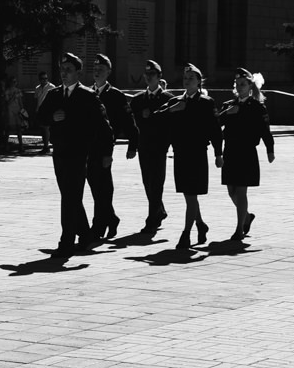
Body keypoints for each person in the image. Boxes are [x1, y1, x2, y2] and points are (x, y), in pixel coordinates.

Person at [38, 53, 108, 255]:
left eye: (68, 70)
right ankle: (85, 235)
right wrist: (52, 117)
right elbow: (40, 117)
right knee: (70, 197)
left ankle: (66, 242)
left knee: (69, 198)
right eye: (62, 70)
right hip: (59, 153)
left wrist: (106, 153)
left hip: (78, 154)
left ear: (78, 72)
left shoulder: (87, 96)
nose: (64, 73)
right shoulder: (54, 95)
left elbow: (103, 126)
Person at [161, 64, 219, 249]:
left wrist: (219, 153)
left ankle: (186, 234)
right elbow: (156, 119)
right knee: (189, 195)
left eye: (191, 79)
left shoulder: (206, 102)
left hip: (197, 154)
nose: (187, 81)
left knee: (191, 194)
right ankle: (201, 225)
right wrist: (173, 110)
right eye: (185, 78)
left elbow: (215, 130)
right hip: (180, 153)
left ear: (199, 82)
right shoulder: (175, 101)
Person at [217, 69, 275, 242]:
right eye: (237, 84)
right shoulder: (228, 105)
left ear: (250, 86)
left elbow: (265, 130)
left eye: (243, 84)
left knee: (241, 192)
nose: (239, 87)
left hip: (247, 152)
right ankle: (247, 217)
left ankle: (239, 229)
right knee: (231, 191)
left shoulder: (257, 107)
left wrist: (269, 149)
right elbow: (216, 124)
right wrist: (228, 113)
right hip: (230, 152)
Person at [125, 60, 175, 236]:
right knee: (148, 182)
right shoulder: (138, 100)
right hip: (144, 147)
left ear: (159, 77)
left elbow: (172, 126)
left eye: (152, 75)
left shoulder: (168, 99)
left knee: (157, 183)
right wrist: (132, 147)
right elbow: (132, 126)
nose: (148, 77)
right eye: (146, 75)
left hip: (160, 147)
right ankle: (159, 211)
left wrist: (171, 145)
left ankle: (151, 220)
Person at [89, 54, 130, 241]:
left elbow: (125, 122)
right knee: (96, 187)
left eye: (101, 70)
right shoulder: (87, 93)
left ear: (109, 72)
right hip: (88, 148)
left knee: (103, 187)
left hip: (104, 148)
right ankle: (111, 218)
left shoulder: (115, 95)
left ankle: (98, 226)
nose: (97, 73)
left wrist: (132, 145)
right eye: (95, 70)